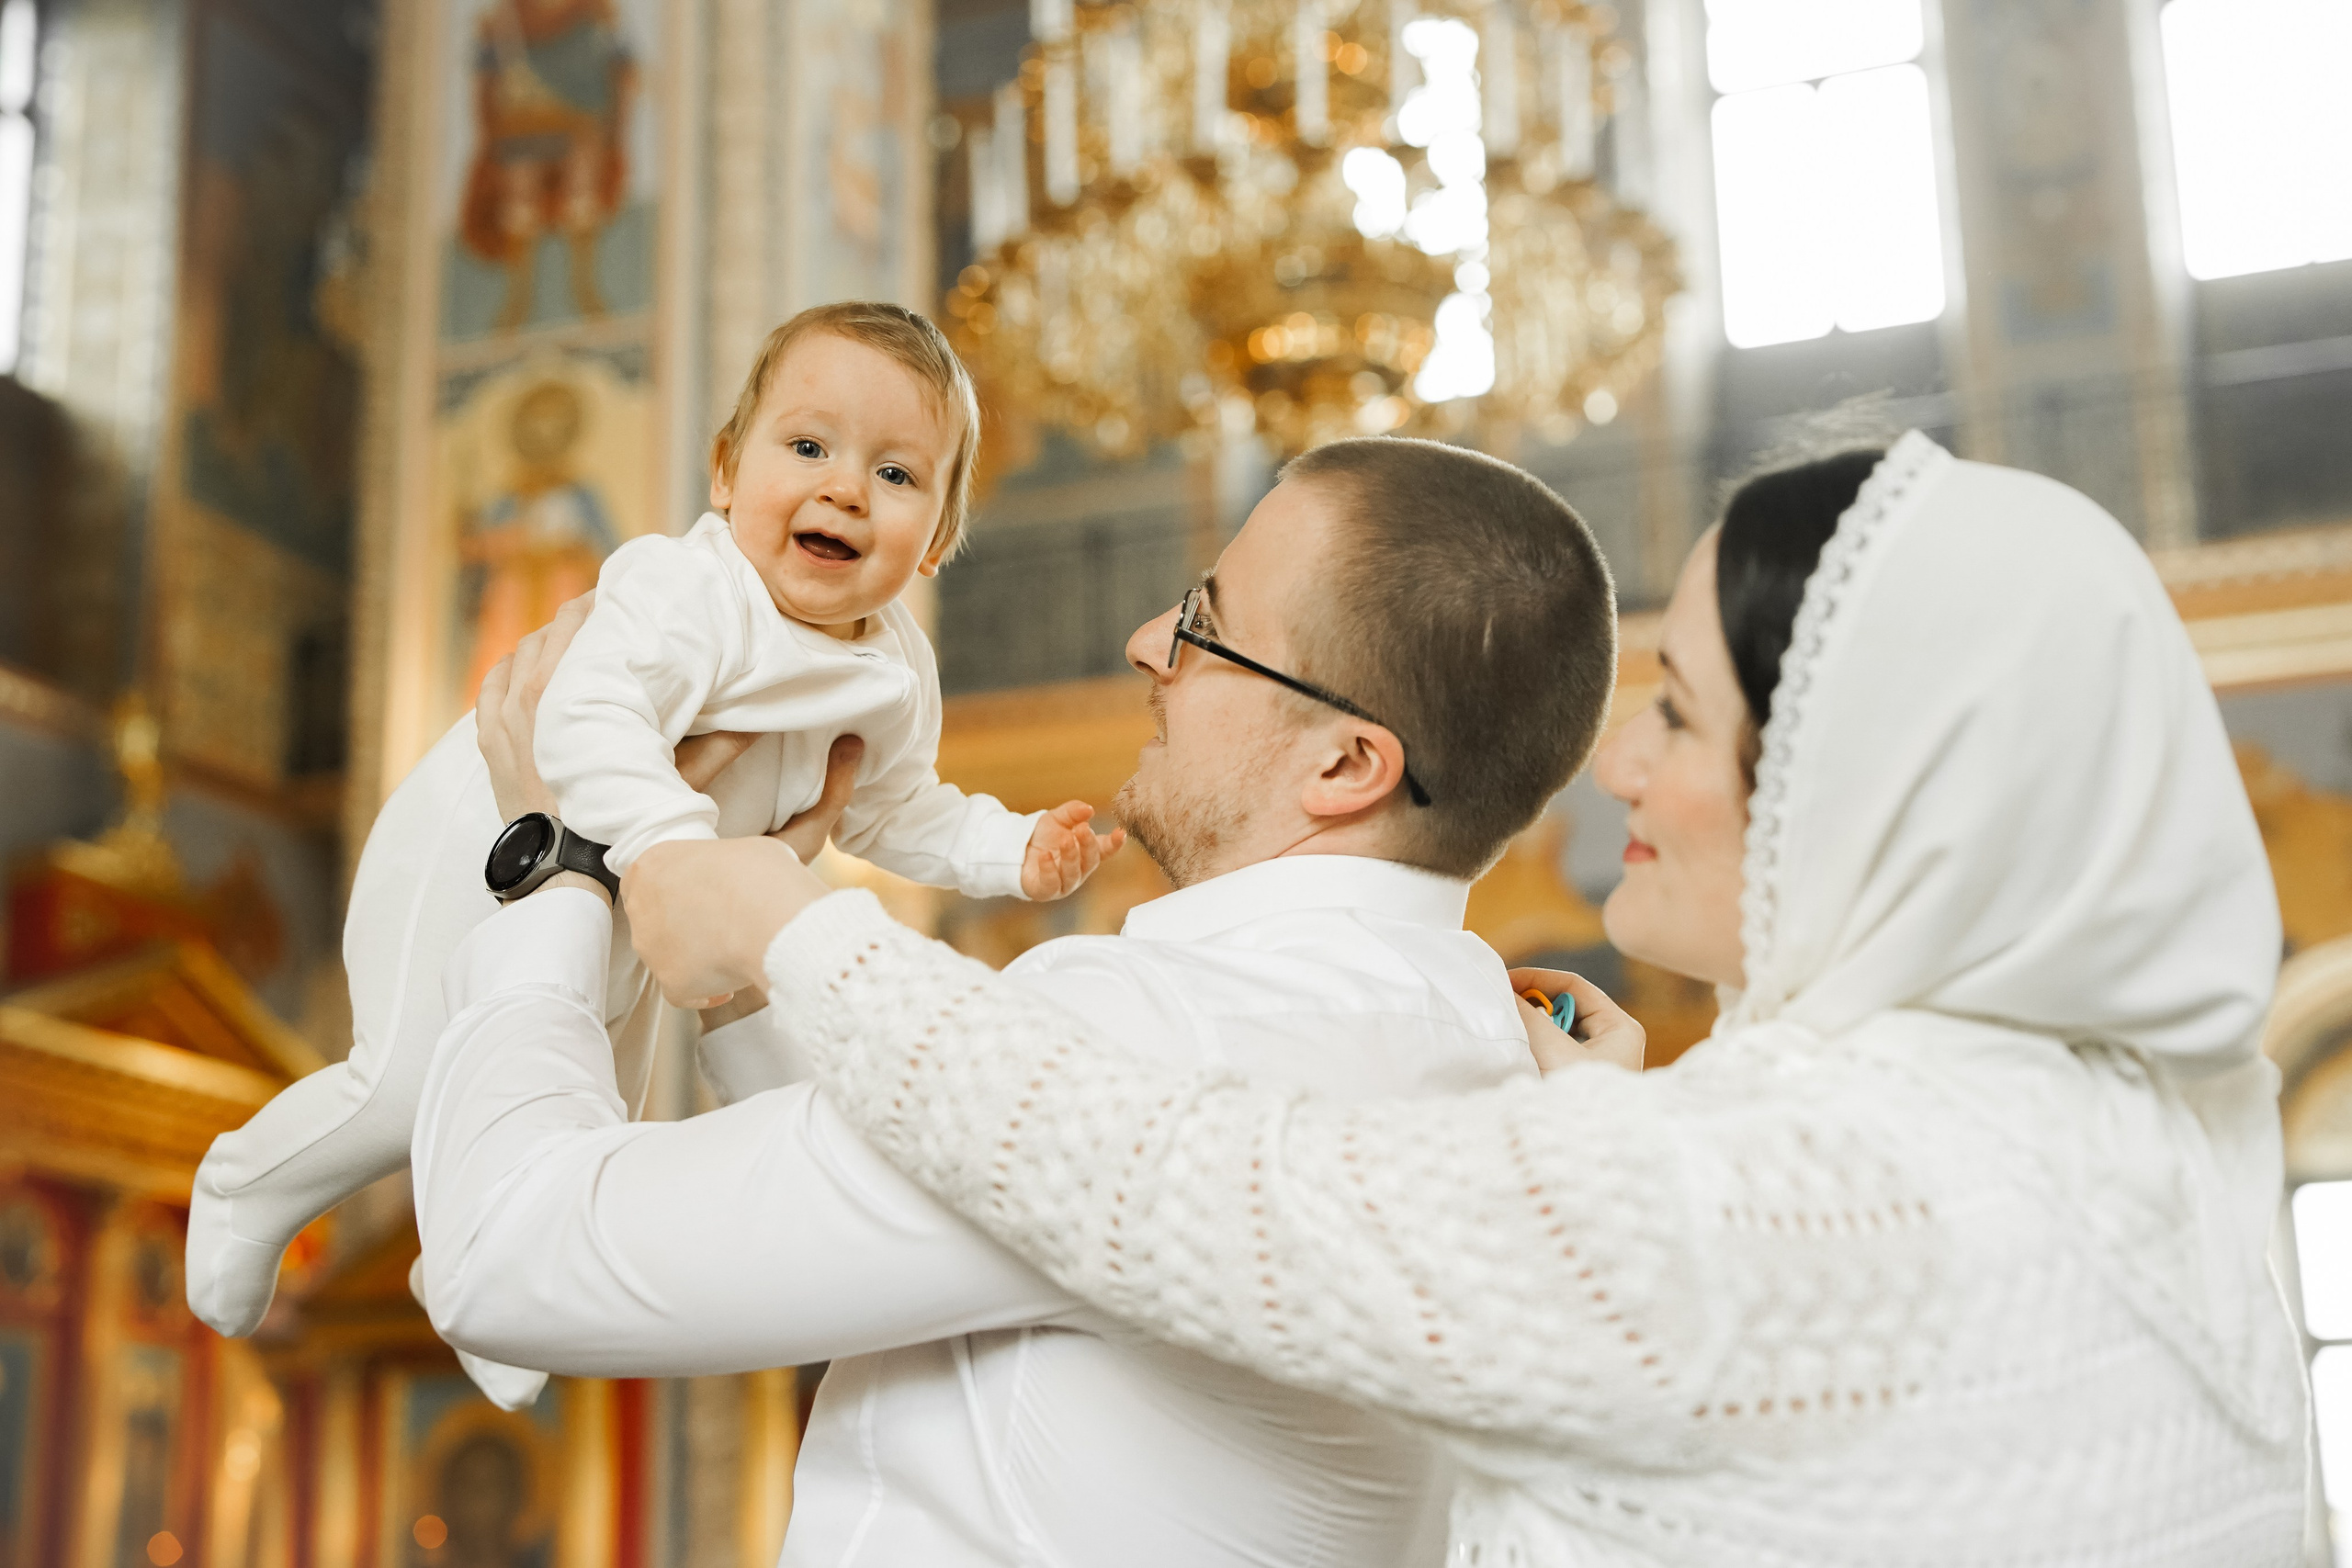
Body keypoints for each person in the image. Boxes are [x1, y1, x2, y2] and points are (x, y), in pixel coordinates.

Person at [626, 431, 2312, 1563]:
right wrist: (1624, 1129)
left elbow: (1198, 1190)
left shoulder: (1801, 1194)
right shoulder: (2138, 1139)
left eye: (1676, 709)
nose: (1620, 763)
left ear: (1876, 795)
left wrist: (798, 936)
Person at [412, 436, 1628, 1566]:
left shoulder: (1142, 1029)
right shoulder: (1501, 1063)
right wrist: (746, 975)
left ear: (1345, 763)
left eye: (1209, 623)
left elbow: (508, 1254)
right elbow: (915, 1221)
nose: (1151, 639)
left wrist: (559, 856)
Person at [186, 303, 1117, 1409]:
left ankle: (472, 1276)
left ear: (939, 538)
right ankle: (246, 1186)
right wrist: (684, 854)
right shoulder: (694, 592)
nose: (845, 490)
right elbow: (585, 721)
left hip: (638, 902)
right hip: (490, 839)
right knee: (403, 1083)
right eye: (807, 448)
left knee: (590, 1103)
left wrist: (1013, 851)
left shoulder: (897, 673)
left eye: (898, 475)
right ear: (727, 474)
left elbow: (891, 810)